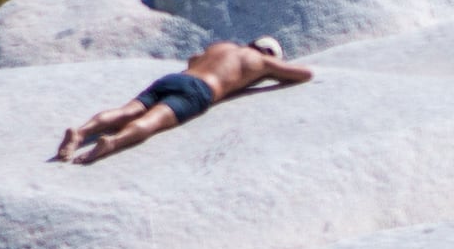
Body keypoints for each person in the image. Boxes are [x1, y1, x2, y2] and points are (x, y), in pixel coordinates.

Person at [53, 34, 314, 165]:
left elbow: (192, 59)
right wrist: (267, 70)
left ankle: (80, 131)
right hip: (199, 91)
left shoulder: (222, 46)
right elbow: (304, 74)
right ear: (270, 53)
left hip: (175, 78)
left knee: (127, 110)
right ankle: (112, 142)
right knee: (153, 121)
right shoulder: (261, 60)